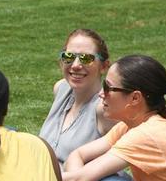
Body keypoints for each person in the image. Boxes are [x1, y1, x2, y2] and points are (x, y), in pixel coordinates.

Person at [39, 29, 115, 166]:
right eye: (68, 56)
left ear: (104, 66)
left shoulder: (104, 108)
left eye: (86, 58)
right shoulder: (61, 89)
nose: (75, 65)